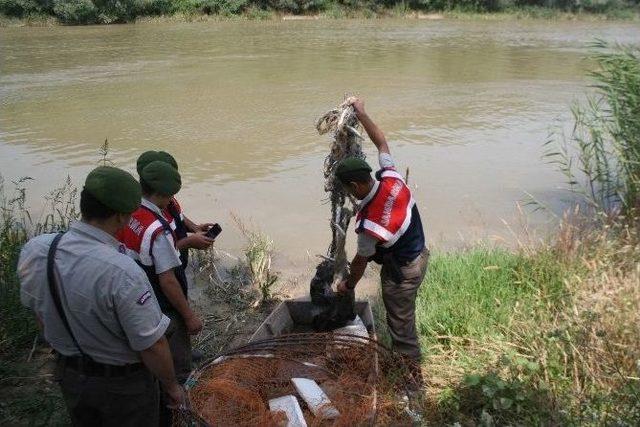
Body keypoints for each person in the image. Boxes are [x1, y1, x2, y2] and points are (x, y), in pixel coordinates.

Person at [18, 166, 185, 426]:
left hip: (70, 375)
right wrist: (172, 387)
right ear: (120, 217)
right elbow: (153, 345)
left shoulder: (38, 250)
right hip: (123, 386)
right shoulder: (122, 271)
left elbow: (40, 314)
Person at [335, 97, 430, 386]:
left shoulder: (369, 225)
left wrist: (348, 285)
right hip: (419, 254)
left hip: (403, 272)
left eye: (347, 190)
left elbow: (361, 261)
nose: (348, 195)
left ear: (354, 186)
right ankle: (406, 367)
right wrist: (362, 113)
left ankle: (411, 382)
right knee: (401, 317)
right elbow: (382, 144)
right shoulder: (391, 178)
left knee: (400, 324)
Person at [116, 160, 203, 425]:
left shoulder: (129, 214)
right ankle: (176, 411)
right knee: (175, 363)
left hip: (138, 297)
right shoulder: (156, 230)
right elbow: (167, 280)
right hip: (161, 304)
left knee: (147, 357)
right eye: (169, 196)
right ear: (162, 195)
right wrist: (189, 317)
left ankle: (159, 396)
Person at [135, 150, 215, 271]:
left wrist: (194, 228)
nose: (171, 196)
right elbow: (159, 254)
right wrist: (188, 242)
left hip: (178, 264)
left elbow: (178, 216)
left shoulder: (166, 198)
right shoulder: (148, 211)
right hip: (166, 272)